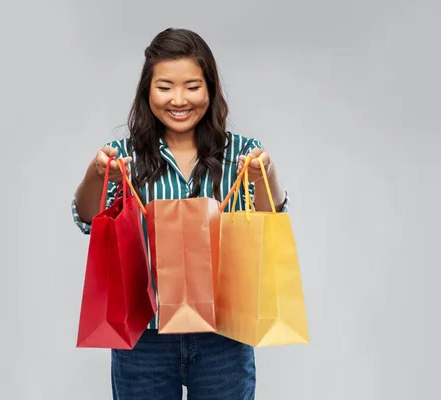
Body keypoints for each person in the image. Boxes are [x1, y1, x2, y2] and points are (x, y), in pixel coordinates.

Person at [71, 27, 290, 400]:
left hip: (224, 335)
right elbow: (88, 219)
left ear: (210, 88)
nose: (179, 99)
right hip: (145, 335)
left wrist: (265, 174)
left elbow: (271, 217)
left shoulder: (242, 151)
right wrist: (95, 173)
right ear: (148, 91)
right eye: (165, 86)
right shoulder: (124, 156)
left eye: (192, 86)